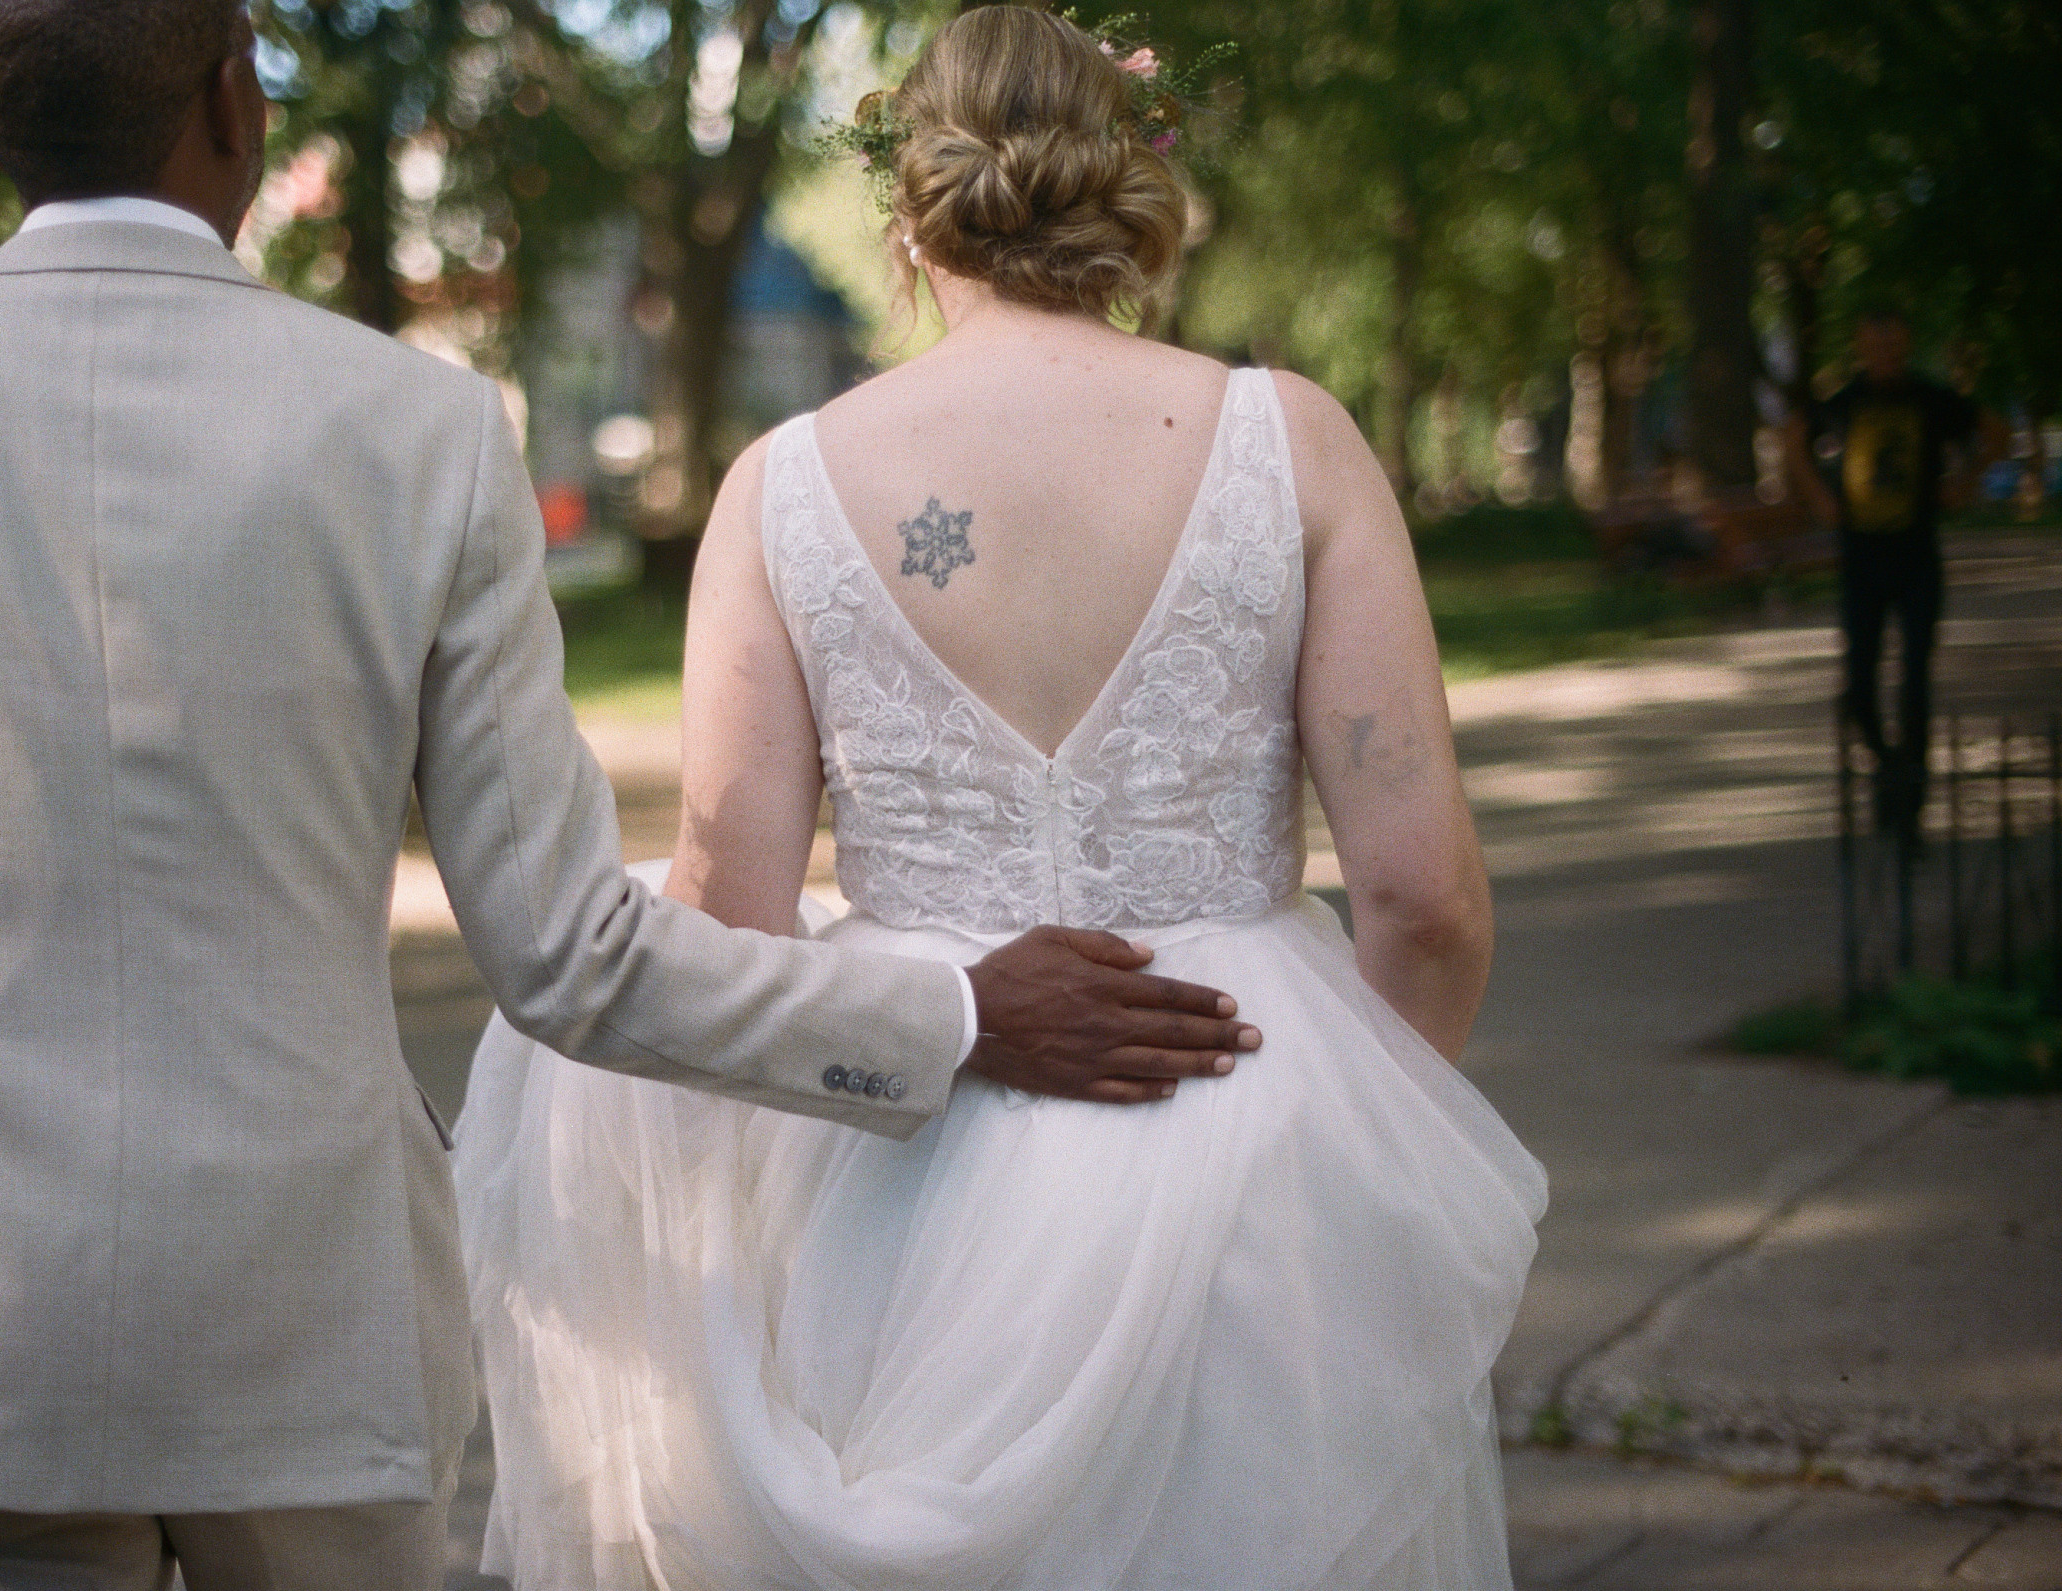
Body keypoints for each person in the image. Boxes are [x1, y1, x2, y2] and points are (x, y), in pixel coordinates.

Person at [0, 0, 1262, 1584]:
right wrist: (956, 1018)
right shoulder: (414, 429)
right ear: (236, 102)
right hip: (302, 1321)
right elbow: (568, 954)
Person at [453, 11, 1547, 1588]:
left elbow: (730, 915)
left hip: (899, 1155)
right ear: (1133, 191)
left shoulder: (785, 482)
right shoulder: (1289, 442)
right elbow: (1425, 898)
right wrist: (1348, 1137)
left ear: (910, 216)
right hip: (1252, 1125)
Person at [1785, 306, 2006, 843]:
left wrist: (1966, 482)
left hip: (1916, 559)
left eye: (1894, 347)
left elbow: (1996, 433)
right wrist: (1818, 495)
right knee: (1858, 684)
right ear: (1861, 347)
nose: (1884, 356)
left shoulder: (1930, 400)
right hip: (1861, 560)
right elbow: (1793, 435)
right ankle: (1887, 769)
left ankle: (1910, 808)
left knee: (1914, 682)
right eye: (1875, 347)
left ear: (1905, 347)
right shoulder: (1847, 402)